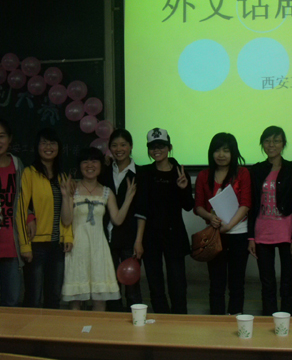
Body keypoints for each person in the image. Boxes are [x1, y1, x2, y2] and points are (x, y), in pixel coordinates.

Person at [60, 147, 136, 311]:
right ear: (79, 166)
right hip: (77, 248)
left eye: (94, 161)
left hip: (99, 249)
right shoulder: (72, 189)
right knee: (76, 299)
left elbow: (117, 220)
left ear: (101, 165)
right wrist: (66, 196)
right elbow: (66, 221)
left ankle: (95, 328)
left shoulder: (106, 192)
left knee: (99, 299)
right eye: (85, 161)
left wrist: (128, 198)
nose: (90, 165)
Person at [136, 128, 194, 314]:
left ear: (169, 147)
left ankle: (179, 320)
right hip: (150, 236)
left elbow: (188, 206)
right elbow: (142, 208)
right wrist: (138, 240)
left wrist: (184, 188)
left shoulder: (180, 172)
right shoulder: (145, 173)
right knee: (155, 284)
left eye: (161, 146)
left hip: (174, 235)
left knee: (178, 283)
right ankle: (161, 320)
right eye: (152, 147)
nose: (156, 150)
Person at [248, 126, 292, 316]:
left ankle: (286, 322)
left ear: (283, 144)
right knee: (267, 283)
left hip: (287, 233)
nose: (271, 145)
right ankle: (268, 320)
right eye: (267, 141)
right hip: (262, 232)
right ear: (262, 144)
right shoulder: (256, 170)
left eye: (276, 141)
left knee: (287, 283)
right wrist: (250, 237)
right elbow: (252, 204)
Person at [194, 132, 250, 315]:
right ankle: (217, 319)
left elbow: (245, 204)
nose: (221, 155)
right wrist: (210, 218)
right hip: (215, 235)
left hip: (239, 233)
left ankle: (236, 317)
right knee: (216, 282)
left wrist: (229, 226)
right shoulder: (204, 175)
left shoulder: (242, 173)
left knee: (236, 282)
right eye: (217, 150)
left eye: (226, 150)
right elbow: (198, 206)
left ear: (233, 152)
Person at [17, 128, 73, 308]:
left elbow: (67, 208)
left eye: (52, 143)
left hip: (57, 246)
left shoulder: (62, 176)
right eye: (44, 143)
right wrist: (25, 245)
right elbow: (21, 209)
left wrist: (68, 236)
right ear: (37, 147)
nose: (48, 147)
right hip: (36, 245)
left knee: (54, 298)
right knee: (33, 297)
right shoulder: (29, 173)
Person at [101, 129, 145, 312]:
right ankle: (114, 324)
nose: (119, 149)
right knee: (111, 287)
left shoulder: (140, 174)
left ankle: (137, 323)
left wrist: (139, 241)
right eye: (114, 145)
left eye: (123, 145)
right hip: (107, 238)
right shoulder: (103, 173)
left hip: (130, 238)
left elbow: (142, 211)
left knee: (132, 287)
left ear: (131, 146)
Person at [0, 118, 26, 307]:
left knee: (13, 300)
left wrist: (30, 217)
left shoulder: (16, 164)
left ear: (9, 139)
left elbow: (25, 197)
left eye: (1, 136)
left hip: (12, 241)